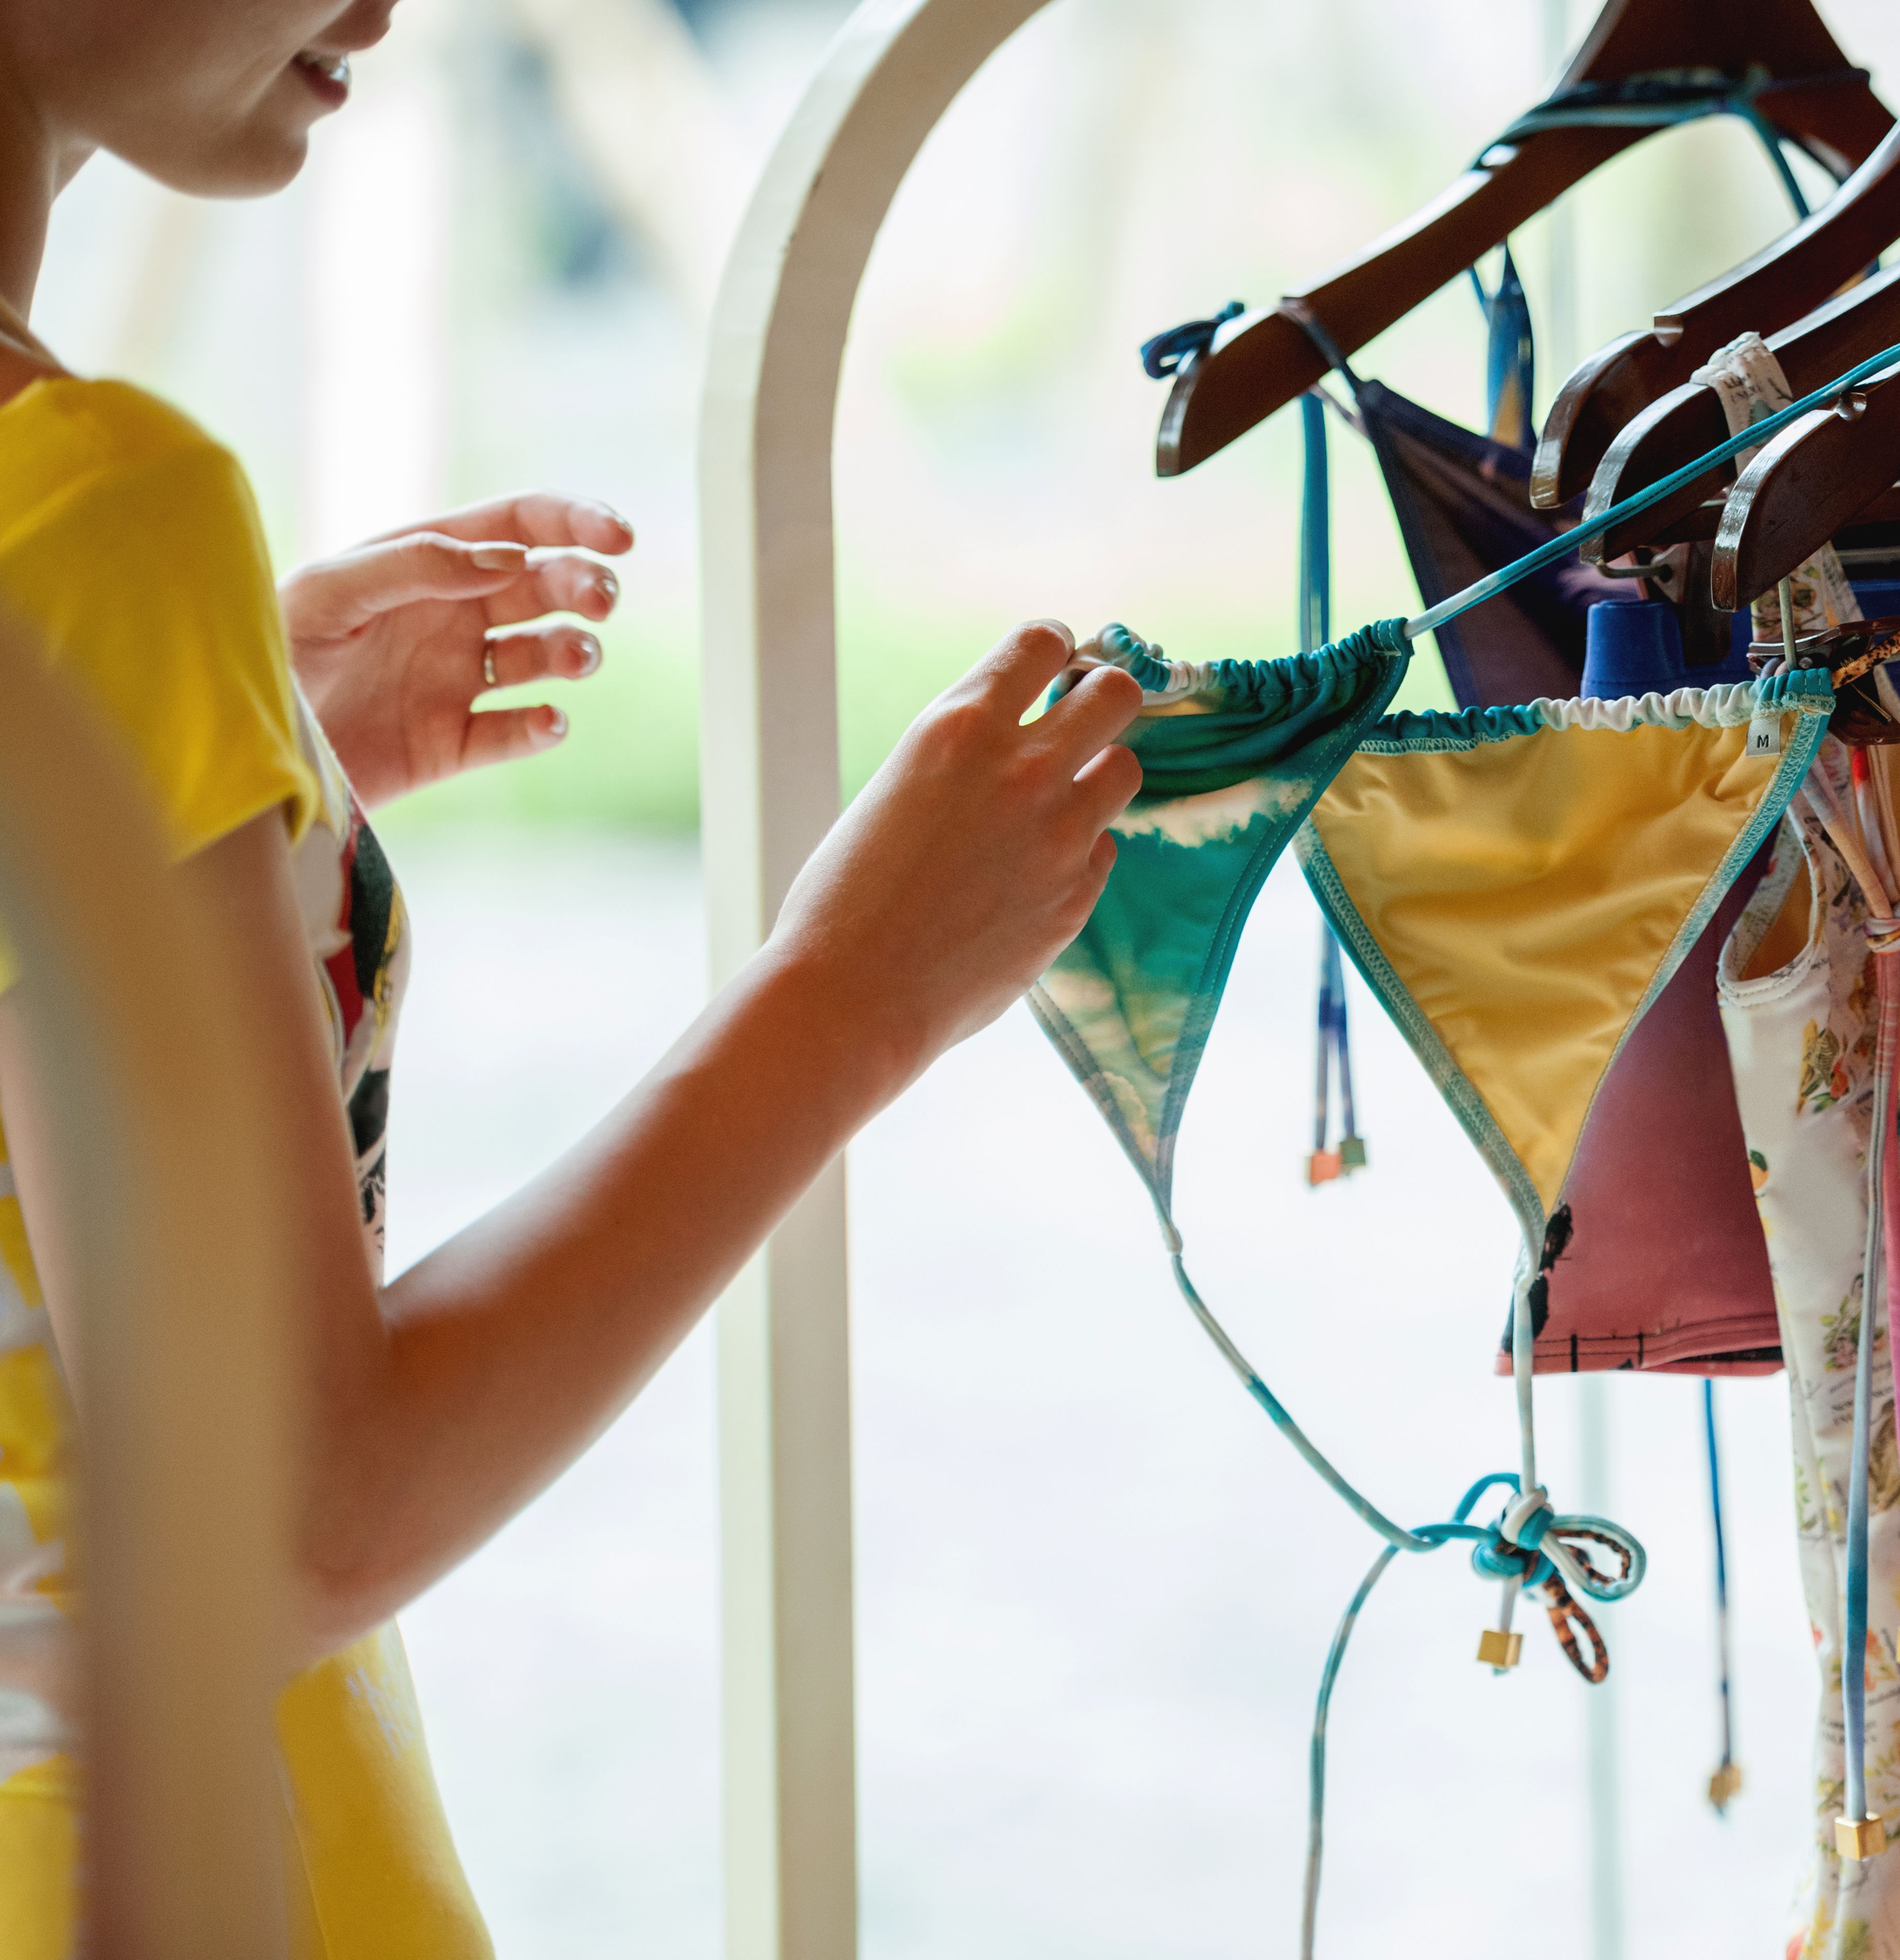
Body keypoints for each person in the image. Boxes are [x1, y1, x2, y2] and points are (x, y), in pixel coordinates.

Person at [0, 1, 1146, 1950]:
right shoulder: (93, 512)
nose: (385, 9)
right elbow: (290, 1516)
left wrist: (222, 804)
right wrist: (854, 989)